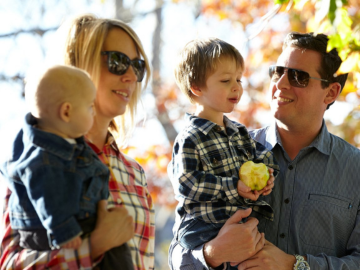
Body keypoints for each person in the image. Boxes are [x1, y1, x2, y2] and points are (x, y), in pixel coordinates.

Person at [169, 32, 360, 270]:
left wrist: (295, 265)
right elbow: (178, 251)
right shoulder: (222, 146)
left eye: (298, 77)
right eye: (278, 72)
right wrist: (213, 254)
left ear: (331, 92)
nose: (280, 84)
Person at [0, 14, 155, 270]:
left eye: (137, 66)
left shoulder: (135, 174)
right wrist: (92, 248)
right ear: (78, 65)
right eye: (117, 62)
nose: (130, 76)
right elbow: (9, 264)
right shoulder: (37, 159)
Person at [1, 65, 132, 270]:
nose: (93, 111)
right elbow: (49, 195)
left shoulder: (71, 148)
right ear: (67, 111)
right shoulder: (43, 159)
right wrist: (66, 231)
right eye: (90, 106)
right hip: (69, 230)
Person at [168, 37, 279, 252]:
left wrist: (267, 177)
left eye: (239, 80)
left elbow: (264, 158)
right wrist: (234, 186)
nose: (236, 87)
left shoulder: (239, 132)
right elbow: (186, 183)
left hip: (239, 224)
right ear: (197, 87)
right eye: (226, 81)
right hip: (202, 226)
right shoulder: (190, 137)